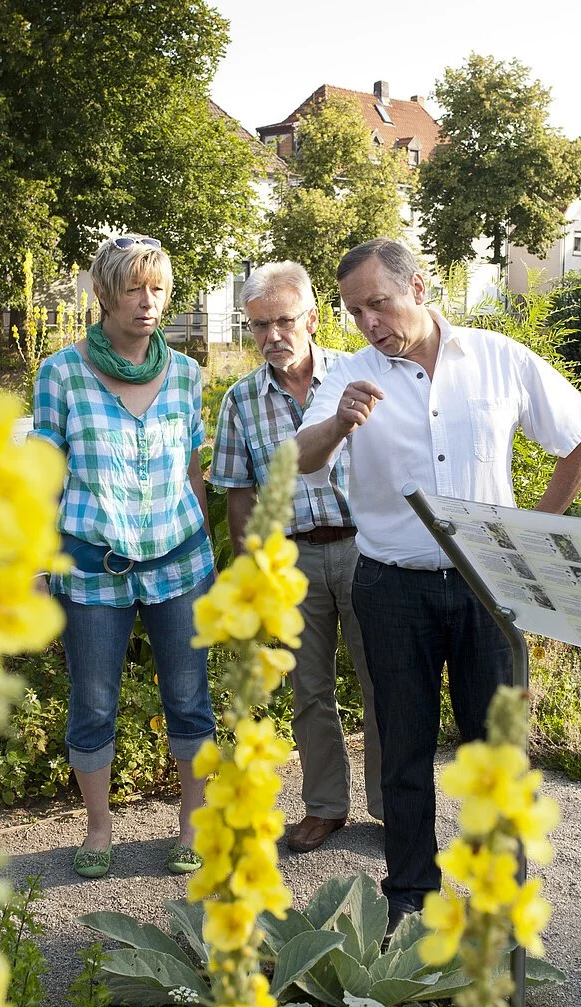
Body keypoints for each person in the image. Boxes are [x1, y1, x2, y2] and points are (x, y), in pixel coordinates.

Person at [295, 238, 581, 929]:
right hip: (391, 585)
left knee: (495, 753)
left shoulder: (496, 359)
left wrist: (533, 531)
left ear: (421, 287)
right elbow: (298, 458)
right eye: (354, 310)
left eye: (379, 302)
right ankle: (409, 897)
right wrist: (341, 421)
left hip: (485, 587)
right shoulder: (347, 374)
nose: (369, 321)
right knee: (402, 748)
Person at [31, 234, 216, 880]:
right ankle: (100, 826)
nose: (148, 302)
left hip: (179, 564)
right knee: (93, 701)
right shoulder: (61, 372)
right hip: (90, 565)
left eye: (158, 288)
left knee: (190, 698)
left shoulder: (188, 375)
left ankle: (192, 823)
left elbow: (194, 474)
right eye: (134, 288)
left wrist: (209, 556)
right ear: (106, 294)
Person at [209, 260, 380, 854]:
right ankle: (326, 807)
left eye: (283, 321)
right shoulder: (241, 400)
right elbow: (240, 493)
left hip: (368, 549)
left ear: (311, 316)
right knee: (310, 689)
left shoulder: (361, 376)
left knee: (384, 681)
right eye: (258, 325)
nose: (272, 336)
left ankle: (390, 809)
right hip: (293, 561)